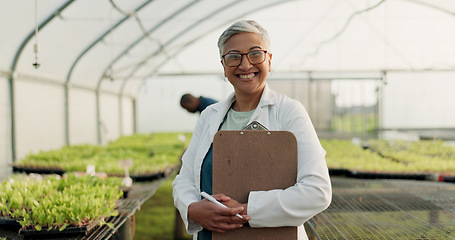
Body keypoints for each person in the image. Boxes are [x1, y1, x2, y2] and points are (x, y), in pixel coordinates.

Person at [172, 20, 332, 240]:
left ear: (269, 60)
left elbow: (317, 191)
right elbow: (185, 178)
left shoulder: (288, 112)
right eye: (234, 56)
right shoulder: (209, 116)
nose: (245, 65)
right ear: (223, 65)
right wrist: (191, 208)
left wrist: (246, 211)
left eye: (255, 54)